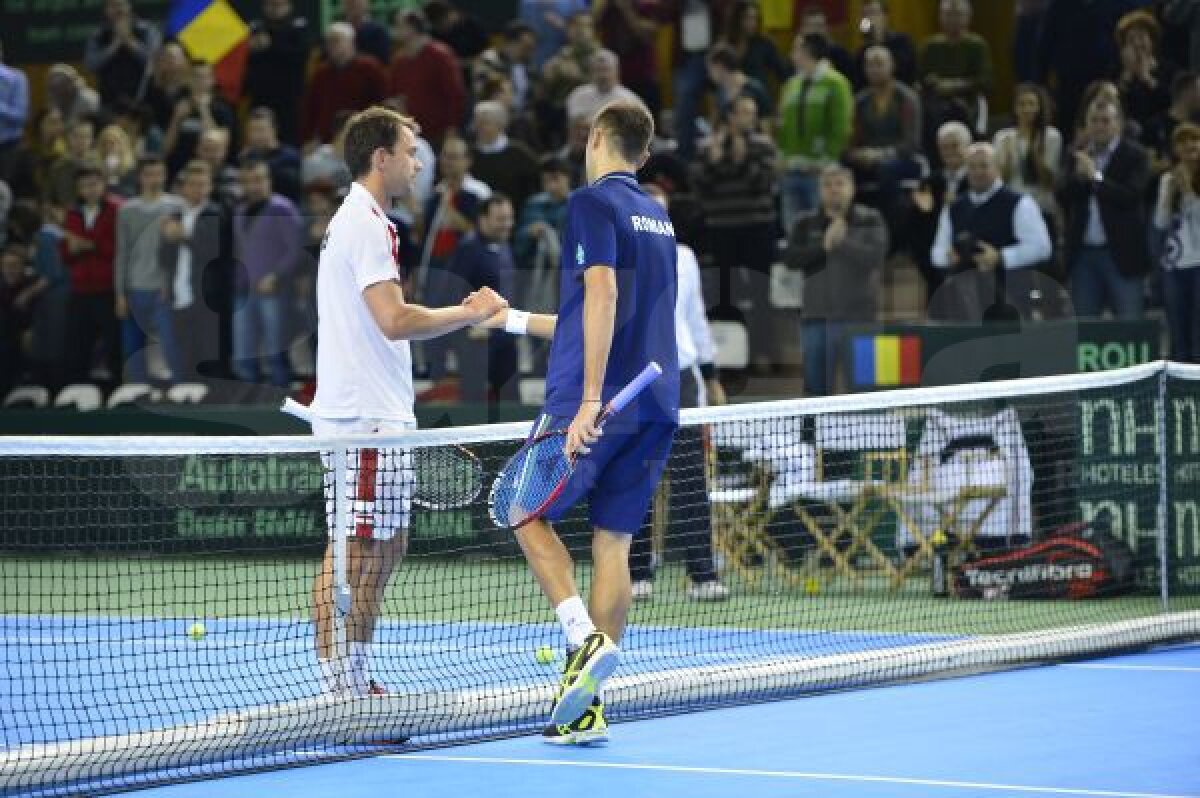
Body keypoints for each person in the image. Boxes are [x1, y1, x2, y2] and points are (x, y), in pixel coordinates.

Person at [477, 101, 679, 745]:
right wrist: (508, 319)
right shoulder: (660, 217)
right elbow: (589, 313)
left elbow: (601, 296)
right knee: (613, 545)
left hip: (592, 402)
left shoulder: (593, 203)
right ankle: (588, 704)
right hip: (655, 401)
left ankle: (579, 637)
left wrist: (589, 399)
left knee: (518, 508)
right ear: (643, 156)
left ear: (595, 138)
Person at [308, 106, 508, 697]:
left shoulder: (371, 221)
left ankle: (356, 676)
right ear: (382, 158)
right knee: (354, 547)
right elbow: (394, 320)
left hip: (383, 414)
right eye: (411, 152)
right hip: (364, 417)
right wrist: (471, 313)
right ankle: (338, 686)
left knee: (386, 544)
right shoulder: (364, 223)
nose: (419, 164)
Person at [629, 181, 729, 602]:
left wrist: (712, 375)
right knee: (637, 479)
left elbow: (696, 319)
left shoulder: (685, 257)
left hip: (683, 378)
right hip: (635, 381)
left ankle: (703, 575)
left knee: (690, 480)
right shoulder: (617, 259)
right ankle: (636, 575)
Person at [786, 164, 888, 396]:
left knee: (865, 391)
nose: (834, 190)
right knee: (815, 391)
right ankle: (812, 434)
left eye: (839, 184)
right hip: (816, 318)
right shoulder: (804, 223)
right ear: (819, 190)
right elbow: (791, 259)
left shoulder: (870, 219)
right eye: (827, 185)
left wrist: (842, 243)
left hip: (860, 318)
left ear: (851, 188)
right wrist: (823, 246)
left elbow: (875, 257)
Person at [930, 143, 1053, 321]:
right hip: (964, 302)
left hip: (1011, 299)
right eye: (972, 166)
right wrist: (947, 257)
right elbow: (937, 252)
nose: (978, 172)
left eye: (984, 165)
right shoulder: (953, 208)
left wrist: (1000, 257)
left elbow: (1042, 248)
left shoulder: (1020, 203)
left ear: (997, 168)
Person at [1061, 99, 1151, 319]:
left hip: (1122, 254)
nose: (1099, 126)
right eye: (1094, 121)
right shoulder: (1076, 154)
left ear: (1118, 124)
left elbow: (1131, 196)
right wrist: (1080, 179)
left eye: (1106, 121)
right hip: (1083, 255)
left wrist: (1096, 177)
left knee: (1130, 326)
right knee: (1085, 329)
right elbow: (1063, 195)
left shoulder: (1135, 155)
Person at [114, 155, 185, 384]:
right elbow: (122, 252)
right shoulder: (127, 210)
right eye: (149, 174)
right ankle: (137, 390)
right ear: (140, 177)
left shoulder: (176, 206)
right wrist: (120, 294)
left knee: (171, 342)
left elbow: (178, 254)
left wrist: (170, 283)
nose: (154, 179)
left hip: (163, 288)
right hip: (135, 287)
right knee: (132, 345)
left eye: (158, 174)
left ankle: (179, 390)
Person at [231, 158, 302, 386]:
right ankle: (249, 400)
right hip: (244, 290)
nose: (254, 185)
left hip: (274, 290)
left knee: (275, 351)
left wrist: (276, 276)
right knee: (244, 350)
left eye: (259, 179)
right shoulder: (240, 211)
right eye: (249, 181)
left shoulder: (282, 208)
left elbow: (295, 249)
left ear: (268, 180)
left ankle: (281, 400)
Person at [160, 160, 229, 381]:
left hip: (207, 296)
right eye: (192, 184)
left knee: (210, 353)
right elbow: (164, 258)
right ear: (183, 187)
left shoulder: (216, 213)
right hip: (179, 294)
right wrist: (167, 239)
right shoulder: (176, 216)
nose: (197, 189)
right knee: (185, 353)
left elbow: (212, 251)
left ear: (209, 187)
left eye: (202, 184)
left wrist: (183, 236)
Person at [62, 164, 122, 384]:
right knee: (77, 344)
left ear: (104, 184)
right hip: (80, 289)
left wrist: (87, 245)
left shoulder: (116, 209)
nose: (90, 189)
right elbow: (66, 253)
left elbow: (117, 248)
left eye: (94, 184)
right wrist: (71, 248)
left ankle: (118, 392)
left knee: (114, 344)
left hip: (108, 289)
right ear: (78, 189)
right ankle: (75, 392)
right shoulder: (72, 214)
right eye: (84, 185)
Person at [1153, 122, 1200, 362]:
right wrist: (1170, 194)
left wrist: (1189, 192)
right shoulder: (1167, 180)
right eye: (1182, 141)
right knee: (1177, 332)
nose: (1189, 145)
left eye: (1194, 139)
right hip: (1174, 265)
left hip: (1198, 262)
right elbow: (1161, 223)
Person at [388, 9, 466, 149]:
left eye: (399, 25)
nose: (395, 30)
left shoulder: (441, 55)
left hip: (439, 133)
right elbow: (395, 95)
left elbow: (455, 94)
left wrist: (452, 128)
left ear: (412, 28)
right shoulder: (399, 60)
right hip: (411, 133)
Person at [244, 0, 312, 147]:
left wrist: (271, 45)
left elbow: (300, 56)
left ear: (289, 6)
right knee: (258, 135)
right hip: (261, 95)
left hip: (289, 96)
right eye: (271, 5)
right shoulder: (256, 26)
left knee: (289, 138)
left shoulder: (299, 26)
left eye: (279, 5)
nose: (275, 9)